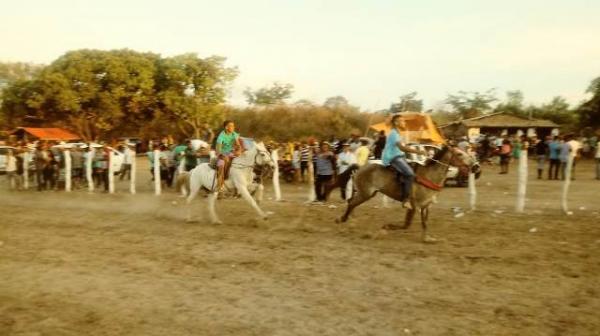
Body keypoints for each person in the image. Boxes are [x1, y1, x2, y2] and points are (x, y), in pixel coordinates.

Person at [382, 115, 427, 209]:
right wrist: (419, 152)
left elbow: (403, 147)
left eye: (404, 121)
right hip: (392, 157)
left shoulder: (398, 134)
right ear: (396, 123)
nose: (404, 123)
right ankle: (405, 200)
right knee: (410, 174)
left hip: (399, 156)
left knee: (415, 167)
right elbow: (402, 148)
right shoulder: (394, 133)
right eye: (402, 121)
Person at [215, 120, 244, 191]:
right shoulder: (221, 136)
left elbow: (238, 145)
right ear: (226, 127)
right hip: (221, 155)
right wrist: (224, 155)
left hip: (230, 153)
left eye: (233, 126)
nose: (233, 127)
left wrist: (239, 151)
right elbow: (218, 150)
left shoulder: (234, 134)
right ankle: (219, 186)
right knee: (221, 166)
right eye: (231, 126)